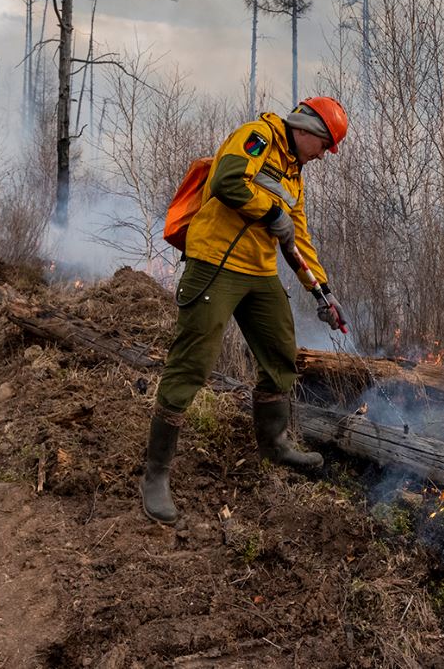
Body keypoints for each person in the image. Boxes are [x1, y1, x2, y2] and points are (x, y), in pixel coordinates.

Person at [141, 96, 350, 525]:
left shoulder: (295, 173)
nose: (323, 157)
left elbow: (298, 238)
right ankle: (156, 475)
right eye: (324, 147)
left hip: (258, 271)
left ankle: (274, 445)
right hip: (215, 263)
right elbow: (227, 180)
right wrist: (271, 210)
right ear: (309, 130)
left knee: (280, 354)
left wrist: (323, 293)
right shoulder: (257, 138)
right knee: (191, 366)